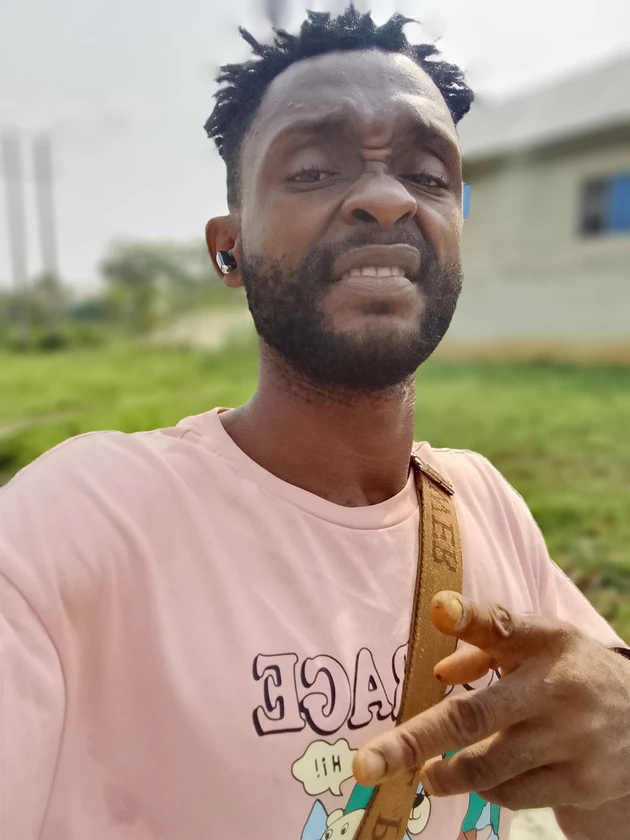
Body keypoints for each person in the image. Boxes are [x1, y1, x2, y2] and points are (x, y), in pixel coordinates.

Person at [1, 8, 629, 840]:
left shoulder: (486, 504)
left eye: (427, 174)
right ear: (228, 250)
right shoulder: (74, 525)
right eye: (311, 170)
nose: (386, 199)